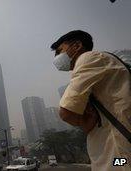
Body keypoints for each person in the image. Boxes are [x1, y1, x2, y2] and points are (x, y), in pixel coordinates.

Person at [51, 30, 131, 171]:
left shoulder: (88, 58)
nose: (57, 57)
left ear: (77, 46)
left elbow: (66, 112)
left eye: (59, 51)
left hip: (120, 154)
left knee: (122, 164)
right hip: (116, 151)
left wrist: (83, 121)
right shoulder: (99, 66)